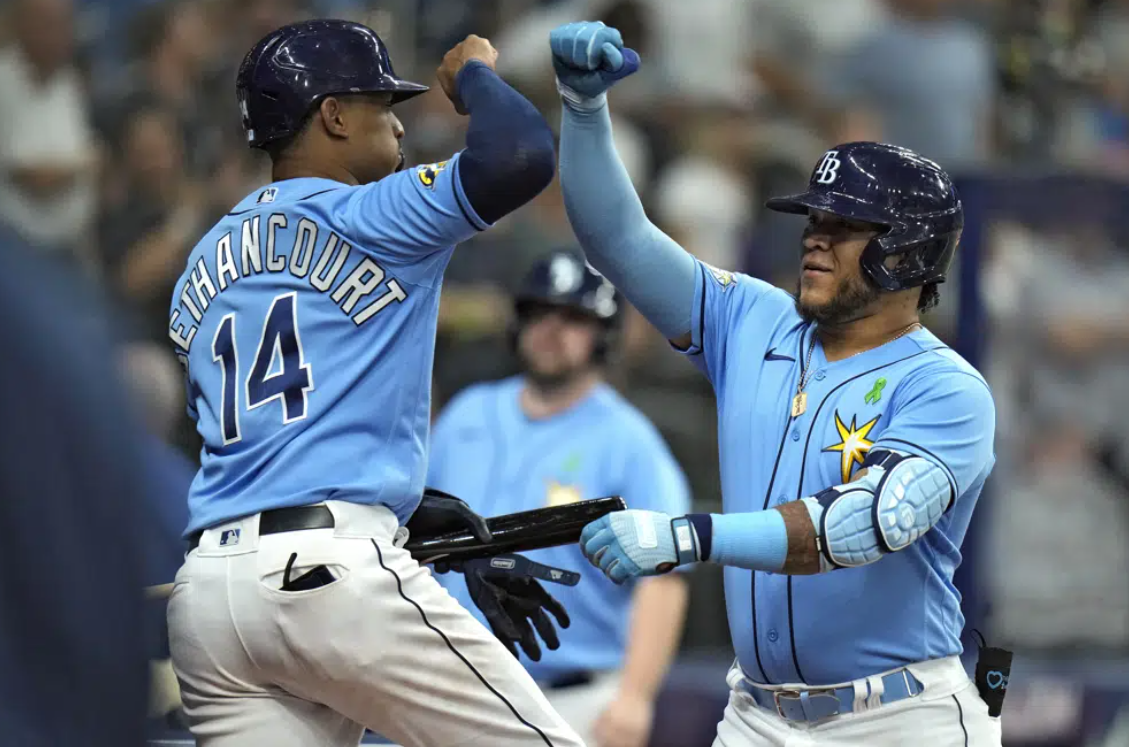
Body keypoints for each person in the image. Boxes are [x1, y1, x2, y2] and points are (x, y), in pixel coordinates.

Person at [549, 21, 1001, 746]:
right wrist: (580, 109)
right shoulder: (750, 317)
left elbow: (859, 523)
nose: (814, 235)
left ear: (907, 252)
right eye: (813, 218)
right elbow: (621, 241)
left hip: (897, 718)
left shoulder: (947, 389)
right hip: (757, 714)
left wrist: (689, 535)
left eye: (844, 224)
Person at [165, 19, 584, 747]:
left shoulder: (198, 268)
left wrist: (408, 503)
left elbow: (271, 429)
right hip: (329, 577)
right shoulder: (373, 214)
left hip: (207, 596)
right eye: (379, 101)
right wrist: (477, 77)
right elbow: (519, 153)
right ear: (331, 115)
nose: (396, 119)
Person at [429, 249, 691, 747]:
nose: (552, 328)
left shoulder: (629, 441)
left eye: (574, 318)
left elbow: (665, 579)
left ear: (604, 336)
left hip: (570, 698)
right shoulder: (467, 414)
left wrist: (635, 697)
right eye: (539, 312)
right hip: (449, 686)